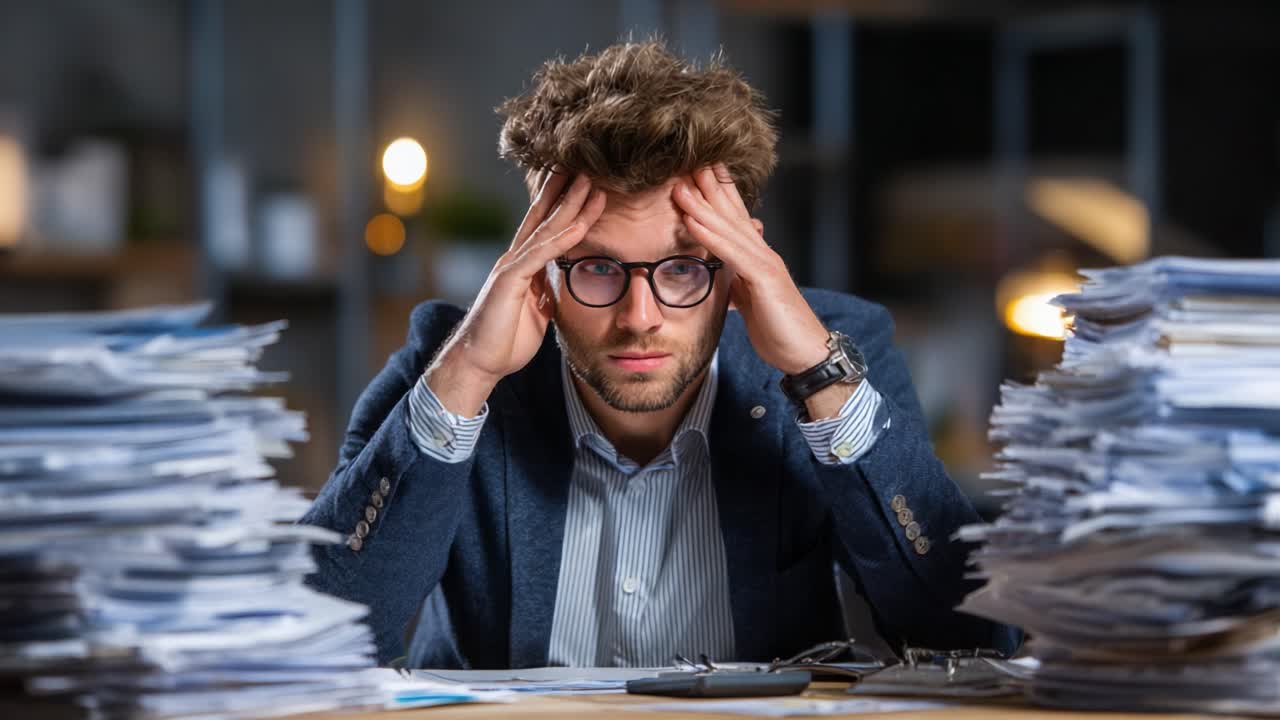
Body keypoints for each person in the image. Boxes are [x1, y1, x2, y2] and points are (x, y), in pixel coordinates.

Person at [302, 40, 1019, 668]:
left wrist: (819, 376)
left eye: (682, 268)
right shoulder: (448, 365)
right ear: (539, 269)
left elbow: (975, 639)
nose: (639, 318)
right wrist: (468, 375)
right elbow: (312, 642)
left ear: (740, 267)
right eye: (596, 267)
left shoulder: (833, 353)